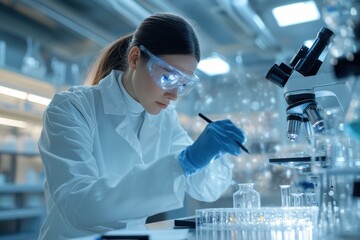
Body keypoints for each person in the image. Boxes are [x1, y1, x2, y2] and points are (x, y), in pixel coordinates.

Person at [38, 13, 246, 239]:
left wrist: (211, 157)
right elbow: (78, 205)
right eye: (168, 78)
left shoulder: (165, 118)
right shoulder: (72, 108)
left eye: (183, 84)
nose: (174, 95)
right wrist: (184, 163)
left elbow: (206, 189)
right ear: (135, 58)